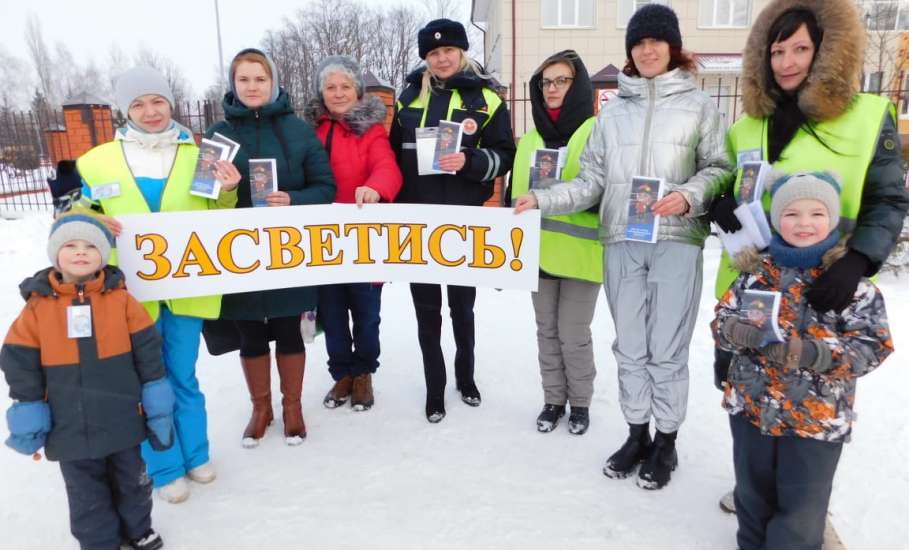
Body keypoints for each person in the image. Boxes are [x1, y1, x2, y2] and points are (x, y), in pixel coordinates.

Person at [514, 5, 732, 489]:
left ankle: (667, 441)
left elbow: (720, 168)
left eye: (656, 40)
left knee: (667, 349)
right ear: (630, 51)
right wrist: (543, 198)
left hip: (676, 240)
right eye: (639, 42)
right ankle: (637, 434)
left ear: (673, 46)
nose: (647, 49)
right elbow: (591, 182)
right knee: (630, 346)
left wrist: (688, 196)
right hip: (622, 240)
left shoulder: (700, 107)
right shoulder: (611, 116)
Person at [707, 0, 909, 514]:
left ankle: (797, 510)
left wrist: (858, 260)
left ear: (826, 51)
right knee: (748, 392)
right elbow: (739, 186)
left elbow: (889, 199)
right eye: (777, 51)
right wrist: (721, 200)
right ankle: (754, 494)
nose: (788, 62)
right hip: (752, 287)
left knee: (807, 399)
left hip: (824, 293)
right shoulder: (748, 125)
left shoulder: (866, 117)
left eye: (801, 48)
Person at [75, 66, 241, 504]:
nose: (150, 112)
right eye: (138, 104)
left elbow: (221, 215)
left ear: (170, 103)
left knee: (183, 376)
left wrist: (228, 191)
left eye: (157, 102)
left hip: (187, 288)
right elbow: (74, 219)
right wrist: (91, 219)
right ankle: (164, 466)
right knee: (148, 383)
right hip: (128, 296)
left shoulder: (202, 154)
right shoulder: (96, 162)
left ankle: (197, 454)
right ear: (124, 110)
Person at [712, 172, 893, 550]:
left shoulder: (851, 284)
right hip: (751, 409)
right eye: (792, 214)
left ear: (832, 219)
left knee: (801, 509)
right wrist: (732, 330)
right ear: (777, 220)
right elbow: (721, 319)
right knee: (751, 496)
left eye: (816, 213)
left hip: (814, 419)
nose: (805, 223)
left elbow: (873, 345)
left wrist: (812, 353)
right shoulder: (754, 273)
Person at [1, 213, 176, 550]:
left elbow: (149, 354)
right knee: (85, 492)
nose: (81, 252)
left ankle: (138, 529)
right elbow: (19, 361)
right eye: (71, 245)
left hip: (122, 417)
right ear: (55, 254)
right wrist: (31, 408)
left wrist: (155, 399)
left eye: (90, 246)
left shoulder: (122, 300)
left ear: (103, 255)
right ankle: (98, 542)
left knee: (133, 481)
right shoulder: (37, 308)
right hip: (70, 425)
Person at [205, 49, 336, 447]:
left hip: (288, 250)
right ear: (233, 85)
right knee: (250, 333)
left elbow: (325, 187)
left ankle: (292, 406)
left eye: (259, 79)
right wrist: (224, 190)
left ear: (273, 81)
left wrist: (294, 200)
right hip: (239, 252)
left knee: (288, 329)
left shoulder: (297, 130)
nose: (252, 87)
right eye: (243, 80)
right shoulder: (218, 134)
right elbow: (202, 198)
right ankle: (260, 408)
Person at [390, 18, 516, 423]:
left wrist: (471, 161)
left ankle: (466, 377)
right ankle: (434, 388)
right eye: (433, 52)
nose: (441, 58)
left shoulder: (488, 99)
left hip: (463, 223)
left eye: (448, 51)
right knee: (427, 311)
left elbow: (505, 155)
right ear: (425, 57)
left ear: (462, 52)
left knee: (463, 308)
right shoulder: (407, 97)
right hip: (418, 222)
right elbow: (392, 157)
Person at [507, 50, 603, 435]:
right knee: (545, 331)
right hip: (539, 254)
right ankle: (553, 399)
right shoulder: (529, 138)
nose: (552, 88)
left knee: (573, 334)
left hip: (581, 255)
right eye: (546, 81)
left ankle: (579, 403)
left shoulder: (597, 131)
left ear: (578, 85)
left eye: (562, 80)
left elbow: (598, 191)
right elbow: (514, 196)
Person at [303, 55, 403, 411]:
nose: (338, 92)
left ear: (357, 91)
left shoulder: (371, 130)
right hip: (323, 240)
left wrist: (375, 187)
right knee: (331, 312)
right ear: (321, 92)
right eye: (331, 86)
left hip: (364, 238)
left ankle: (363, 373)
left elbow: (387, 166)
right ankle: (341, 372)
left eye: (345, 86)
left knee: (365, 312)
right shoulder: (310, 131)